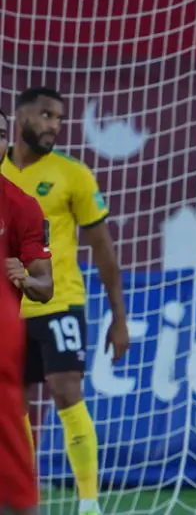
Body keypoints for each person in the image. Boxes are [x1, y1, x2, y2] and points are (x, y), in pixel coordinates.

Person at [1, 87, 130, 515]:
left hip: (60, 302)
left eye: (59, 118)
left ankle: (88, 502)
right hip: (11, 310)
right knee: (13, 402)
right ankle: (21, 494)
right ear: (18, 117)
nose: (55, 125)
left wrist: (119, 317)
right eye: (45, 115)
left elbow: (102, 249)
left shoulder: (73, 174)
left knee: (66, 390)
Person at [0, 108, 50, 515]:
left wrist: (24, 280)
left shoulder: (21, 207)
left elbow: (45, 287)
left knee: (15, 487)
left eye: (0, 134)